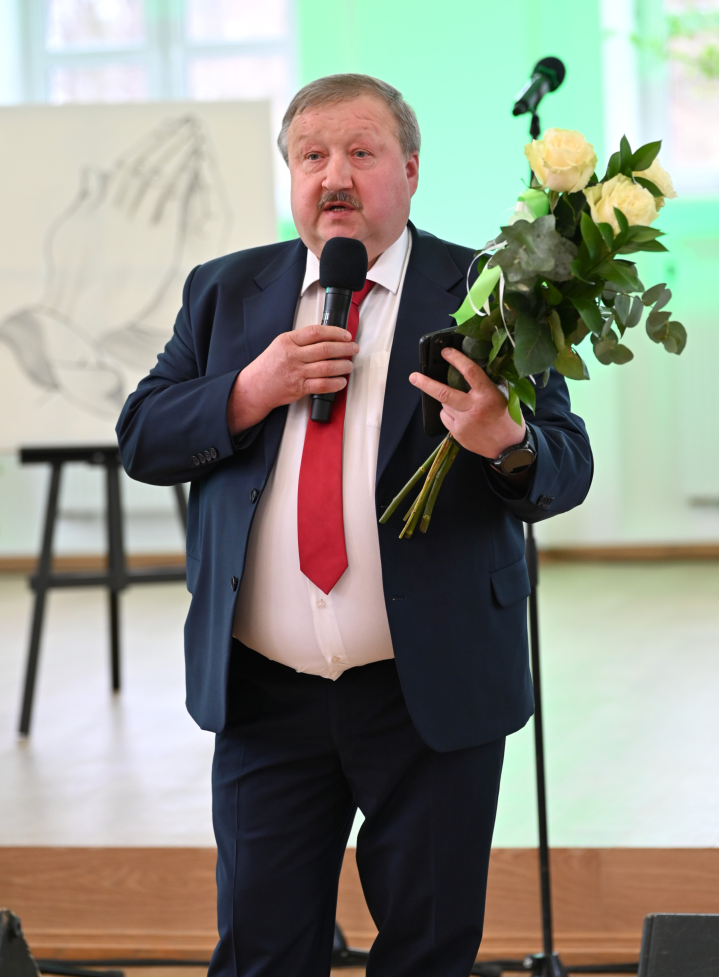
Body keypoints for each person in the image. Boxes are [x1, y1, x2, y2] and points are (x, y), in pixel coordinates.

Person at [117, 73, 592, 977]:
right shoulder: (224, 291)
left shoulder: (491, 293)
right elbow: (143, 437)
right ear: (291, 175)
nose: (333, 176)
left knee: (427, 952)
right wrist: (248, 391)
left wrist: (505, 441)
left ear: (409, 170)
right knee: (259, 952)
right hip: (264, 695)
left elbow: (564, 466)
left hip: (430, 689)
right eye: (311, 156)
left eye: (361, 153)